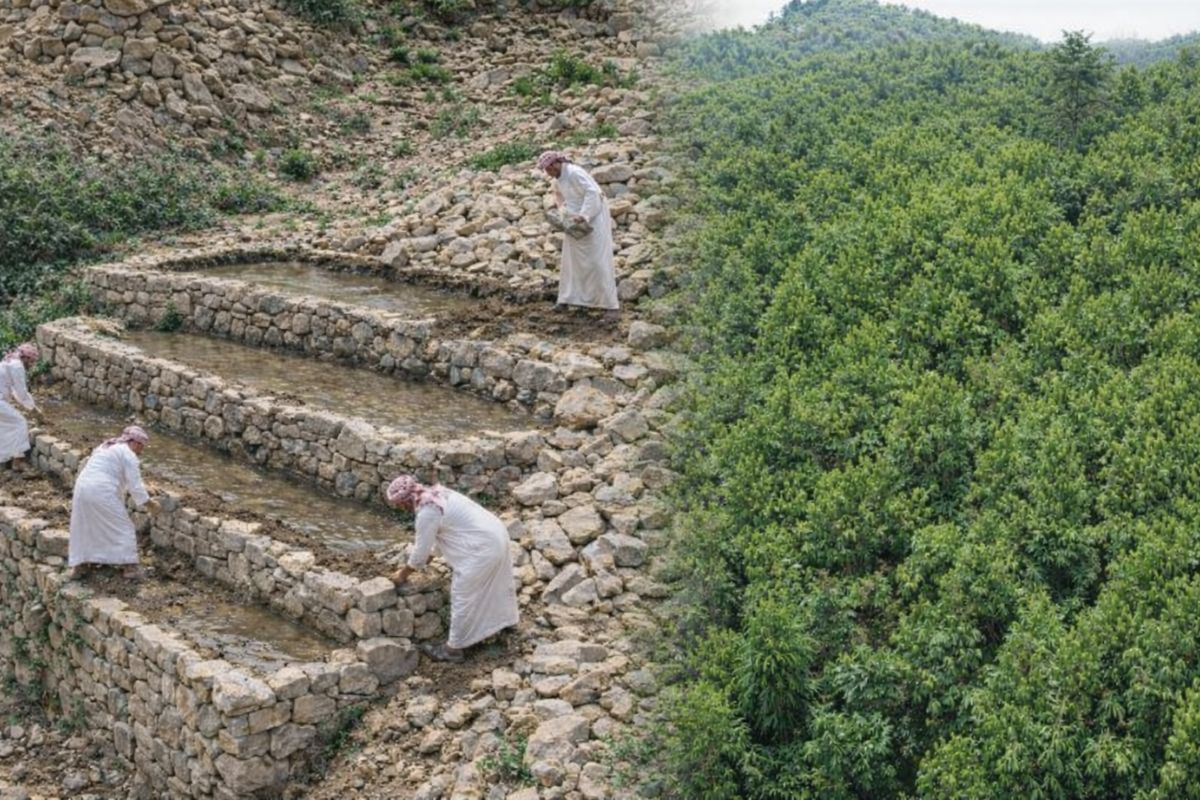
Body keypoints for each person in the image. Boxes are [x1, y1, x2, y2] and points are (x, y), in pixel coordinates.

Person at [387, 474, 519, 662]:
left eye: (399, 505)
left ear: (404, 502)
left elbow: (420, 553)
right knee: (497, 583)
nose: (400, 509)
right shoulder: (439, 493)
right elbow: (445, 532)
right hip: (497, 535)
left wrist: (402, 574)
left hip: (483, 548)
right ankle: (506, 622)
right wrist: (430, 556)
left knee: (462, 596)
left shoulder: (427, 512)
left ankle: (453, 649)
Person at [68, 425, 160, 580]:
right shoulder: (128, 454)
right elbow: (135, 486)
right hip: (101, 492)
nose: (141, 451)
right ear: (136, 443)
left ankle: (80, 566)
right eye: (142, 447)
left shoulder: (106, 447)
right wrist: (150, 504)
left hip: (82, 488)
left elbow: (108, 470)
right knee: (124, 527)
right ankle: (130, 567)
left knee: (85, 526)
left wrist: (147, 488)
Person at [537, 150, 620, 321]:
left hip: (593, 218)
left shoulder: (575, 172)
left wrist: (584, 215)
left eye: (549, 168)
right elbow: (560, 196)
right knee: (571, 261)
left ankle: (610, 305)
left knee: (598, 260)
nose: (548, 172)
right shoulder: (558, 178)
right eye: (546, 170)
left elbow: (593, 193)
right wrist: (563, 213)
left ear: (556, 164)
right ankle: (569, 299)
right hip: (574, 220)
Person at [0, 343, 42, 471]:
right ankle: (18, 461)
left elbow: (14, 391)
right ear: (26, 358)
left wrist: (31, 407)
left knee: (5, 426)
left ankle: (5, 458)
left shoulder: (9, 361)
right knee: (20, 423)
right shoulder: (17, 366)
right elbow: (21, 392)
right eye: (32, 361)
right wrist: (34, 410)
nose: (32, 365)